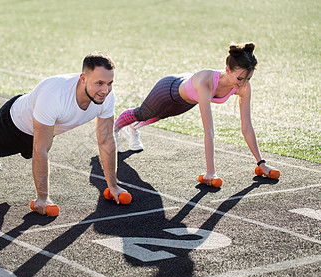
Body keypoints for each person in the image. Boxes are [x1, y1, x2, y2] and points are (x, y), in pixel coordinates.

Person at [0, 51, 127, 214]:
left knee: (29, 146)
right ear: (83, 78)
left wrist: (113, 186)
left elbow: (106, 141)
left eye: (110, 83)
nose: (105, 90)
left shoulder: (106, 97)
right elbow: (41, 149)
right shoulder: (55, 94)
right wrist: (43, 197)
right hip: (13, 124)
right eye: (99, 83)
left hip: (41, 129)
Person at [115, 42, 279, 185]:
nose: (243, 83)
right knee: (143, 113)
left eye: (248, 79)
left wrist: (261, 163)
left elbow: (247, 127)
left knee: (158, 117)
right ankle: (114, 129)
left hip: (186, 101)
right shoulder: (206, 82)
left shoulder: (243, 87)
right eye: (240, 78)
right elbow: (208, 130)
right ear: (228, 70)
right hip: (168, 89)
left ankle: (132, 130)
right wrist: (211, 172)